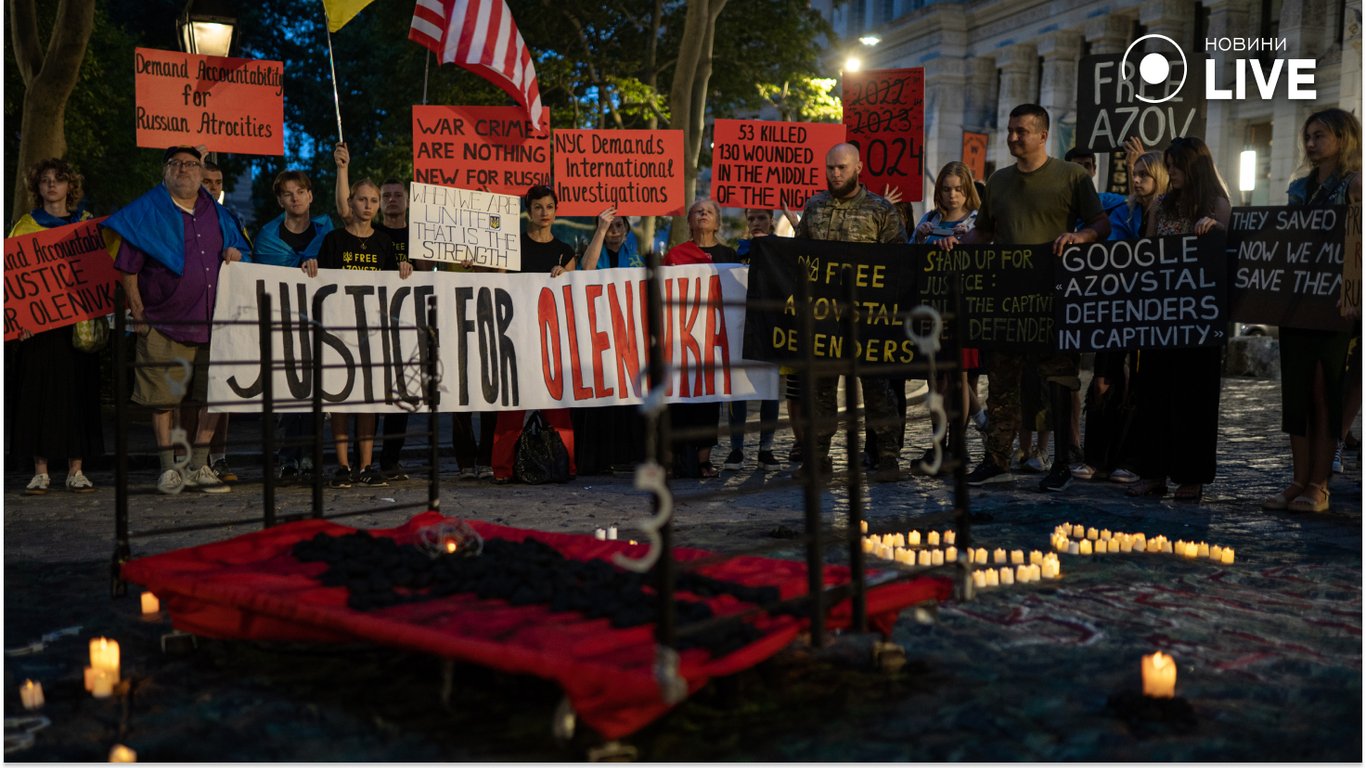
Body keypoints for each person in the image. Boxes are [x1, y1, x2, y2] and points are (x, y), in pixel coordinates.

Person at [942, 104, 1110, 492]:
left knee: (1059, 379)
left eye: (1021, 131)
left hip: (1052, 296)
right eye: (1010, 130)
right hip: (1006, 297)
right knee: (1001, 379)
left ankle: (1063, 460)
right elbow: (985, 232)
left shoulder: (1071, 176)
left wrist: (1079, 237)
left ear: (1042, 135)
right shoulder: (998, 181)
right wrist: (958, 243)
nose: (1013, 137)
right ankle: (997, 459)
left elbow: (1100, 223)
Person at [105, 145, 252, 494]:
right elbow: (127, 267)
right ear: (165, 171)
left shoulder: (219, 214)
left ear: (201, 172)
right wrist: (138, 311)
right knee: (162, 399)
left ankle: (199, 464)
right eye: (175, 164)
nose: (183, 169)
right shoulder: (146, 212)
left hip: (213, 322)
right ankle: (168, 468)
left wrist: (237, 253)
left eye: (190, 164)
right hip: (163, 321)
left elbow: (244, 252)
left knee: (211, 395)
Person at [1262, 109, 1361, 513]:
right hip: (1298, 300)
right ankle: (1298, 479)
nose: (1311, 143)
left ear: (1343, 138)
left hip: (1335, 303)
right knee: (1298, 394)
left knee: (1324, 392)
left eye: (1320, 135)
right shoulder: (1300, 187)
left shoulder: (1355, 184)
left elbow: (1358, 241)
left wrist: (1353, 292)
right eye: (1308, 136)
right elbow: (1290, 238)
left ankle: (1319, 484)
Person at [1122, 136, 1230, 502]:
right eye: (1168, 166)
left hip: (1198, 319)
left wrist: (1214, 229)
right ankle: (1152, 472)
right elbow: (1149, 249)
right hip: (1162, 316)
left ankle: (1190, 476)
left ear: (1195, 166)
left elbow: (1225, 253)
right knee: (1153, 395)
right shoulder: (1161, 205)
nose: (1172, 172)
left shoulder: (1216, 204)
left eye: (1177, 166)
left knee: (1194, 398)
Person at [795, 142, 908, 483]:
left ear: (858, 167)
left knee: (877, 389)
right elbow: (799, 255)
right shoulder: (814, 207)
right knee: (820, 390)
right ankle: (817, 458)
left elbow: (900, 262)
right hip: (824, 318)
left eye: (842, 167)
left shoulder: (881, 210)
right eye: (830, 167)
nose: (835, 173)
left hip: (869, 319)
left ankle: (887, 456)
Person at [313, 157, 414, 488]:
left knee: (369, 399)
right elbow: (319, 280)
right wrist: (310, 268)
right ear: (351, 202)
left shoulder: (384, 243)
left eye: (373, 200)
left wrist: (404, 270)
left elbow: (394, 286)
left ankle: (367, 466)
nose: (368, 205)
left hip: (373, 332)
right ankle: (343, 466)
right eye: (362, 199)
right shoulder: (334, 241)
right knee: (341, 399)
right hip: (339, 331)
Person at [1073, 144, 1168, 484]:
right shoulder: (1121, 208)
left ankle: (1130, 460)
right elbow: (1090, 205)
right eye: (1135, 175)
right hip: (1115, 307)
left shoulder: (1170, 212)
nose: (1137, 180)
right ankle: (1096, 458)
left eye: (1145, 175)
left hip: (1151, 311)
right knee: (1103, 381)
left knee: (1140, 385)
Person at [10, 158, 105, 494]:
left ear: (70, 186)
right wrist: (20, 320)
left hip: (78, 324)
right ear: (37, 187)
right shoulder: (24, 227)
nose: (52, 185)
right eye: (45, 180)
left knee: (78, 394)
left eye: (59, 179)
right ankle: (41, 471)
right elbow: (13, 280)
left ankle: (76, 470)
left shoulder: (86, 225)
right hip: (39, 328)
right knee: (39, 396)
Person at [489, 185, 579, 482]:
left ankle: (567, 465)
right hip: (516, 335)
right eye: (538, 207)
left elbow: (573, 294)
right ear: (529, 211)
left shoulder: (565, 252)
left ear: (556, 211)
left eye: (549, 207)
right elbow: (499, 285)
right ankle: (502, 469)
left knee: (557, 406)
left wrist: (566, 277)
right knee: (511, 406)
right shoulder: (512, 247)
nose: (544, 213)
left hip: (552, 338)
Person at [254, 169, 335, 482]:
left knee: (316, 393)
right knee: (288, 393)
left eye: (300, 192)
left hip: (319, 324)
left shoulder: (327, 233)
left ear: (310, 196)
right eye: (288, 193)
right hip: (283, 323)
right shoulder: (267, 239)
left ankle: (312, 458)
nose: (295, 198)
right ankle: (288, 459)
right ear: (280, 200)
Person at [912, 161, 984, 470]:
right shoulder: (929, 219)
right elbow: (907, 258)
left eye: (958, 189)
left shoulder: (977, 221)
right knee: (935, 381)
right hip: (931, 310)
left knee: (960, 377)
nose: (952, 195)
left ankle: (958, 444)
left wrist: (965, 243)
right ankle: (938, 444)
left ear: (967, 190)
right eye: (946, 189)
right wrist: (919, 238)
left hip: (963, 309)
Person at [662, 198, 738, 478]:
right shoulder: (675, 255)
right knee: (677, 398)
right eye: (697, 211)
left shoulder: (729, 256)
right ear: (689, 222)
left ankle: (703, 460)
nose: (703, 214)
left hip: (714, 340)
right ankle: (672, 459)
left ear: (717, 222)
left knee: (709, 398)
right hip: (681, 339)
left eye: (708, 212)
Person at [720, 208, 783, 473]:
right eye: (751, 219)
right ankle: (736, 449)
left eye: (761, 218)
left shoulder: (781, 250)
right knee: (737, 388)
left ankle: (765, 449)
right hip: (740, 327)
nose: (756, 223)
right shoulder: (738, 252)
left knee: (769, 387)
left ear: (771, 220)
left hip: (770, 327)